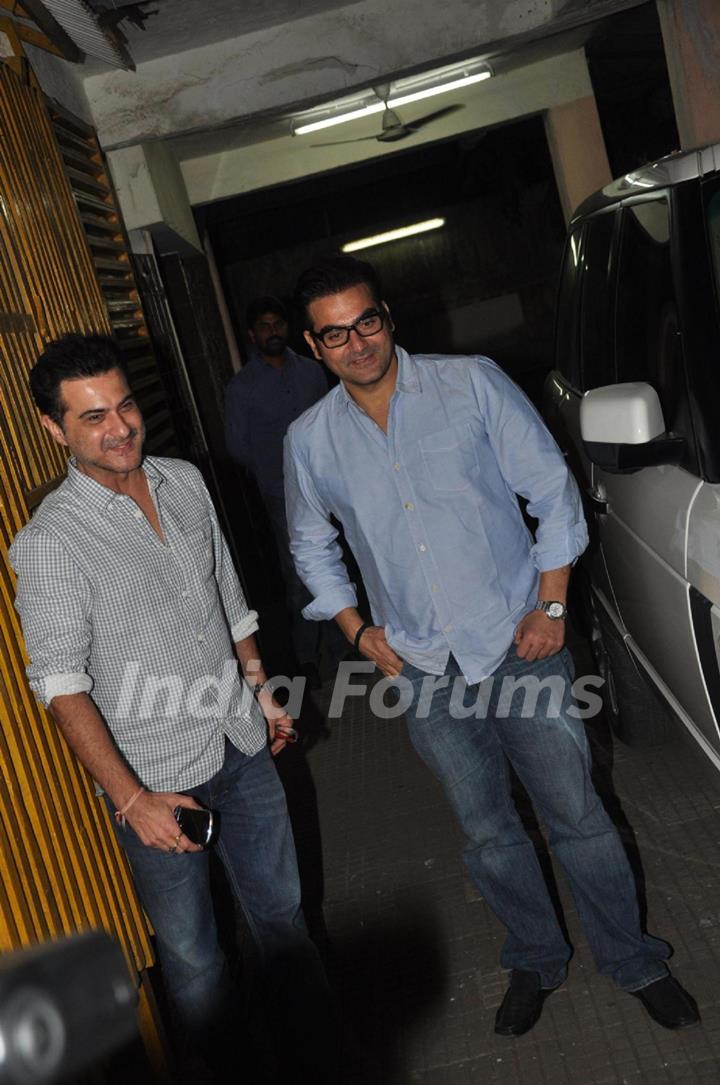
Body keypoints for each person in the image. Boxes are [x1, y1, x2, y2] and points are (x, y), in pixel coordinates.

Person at [283, 254, 699, 1037]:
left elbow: (551, 489)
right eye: (335, 333)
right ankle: (537, 957)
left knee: (576, 810)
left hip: (520, 640)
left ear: (388, 317)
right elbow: (310, 544)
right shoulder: (309, 441)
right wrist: (356, 629)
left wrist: (551, 604)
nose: (357, 342)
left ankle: (635, 958)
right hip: (421, 666)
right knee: (485, 829)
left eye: (366, 321)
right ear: (313, 346)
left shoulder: (469, 381)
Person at [10, 334, 334, 1082]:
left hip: (243, 744)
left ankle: (321, 1056)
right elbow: (59, 683)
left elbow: (228, 597)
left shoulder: (185, 480)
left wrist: (260, 690)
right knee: (194, 961)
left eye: (124, 405)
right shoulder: (50, 542)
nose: (118, 426)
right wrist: (132, 800)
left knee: (282, 922)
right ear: (55, 429)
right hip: (158, 783)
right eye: (92, 417)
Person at [225, 296, 330, 685]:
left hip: (328, 485)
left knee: (341, 560)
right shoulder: (242, 388)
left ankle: (348, 640)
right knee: (299, 574)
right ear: (253, 335)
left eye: (278, 324)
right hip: (281, 494)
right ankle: (307, 658)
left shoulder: (312, 372)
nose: (273, 331)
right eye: (264, 326)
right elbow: (237, 449)